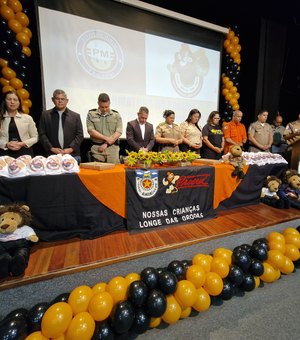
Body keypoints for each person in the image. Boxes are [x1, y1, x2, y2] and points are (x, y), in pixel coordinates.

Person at [38, 89, 84, 163]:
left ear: (67, 101)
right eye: (57, 99)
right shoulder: (45, 115)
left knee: (74, 175)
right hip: (52, 154)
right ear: (53, 100)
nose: (60, 101)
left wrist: (70, 149)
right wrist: (52, 148)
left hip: (72, 155)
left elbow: (80, 135)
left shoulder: (75, 116)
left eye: (62, 99)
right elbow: (42, 134)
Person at [0, 90, 38, 158]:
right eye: (9, 99)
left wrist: (22, 144)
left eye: (15, 100)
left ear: (19, 102)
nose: (12, 102)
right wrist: (6, 144)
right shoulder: (0, 118)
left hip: (25, 152)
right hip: (4, 153)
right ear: (5, 101)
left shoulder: (27, 118)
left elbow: (35, 137)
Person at [86, 93, 122, 163]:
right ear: (98, 103)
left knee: (114, 172)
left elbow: (118, 131)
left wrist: (106, 144)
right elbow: (91, 131)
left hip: (113, 150)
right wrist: (106, 138)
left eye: (107, 107)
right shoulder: (91, 114)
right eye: (102, 107)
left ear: (110, 103)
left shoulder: (116, 115)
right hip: (97, 150)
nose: (105, 109)